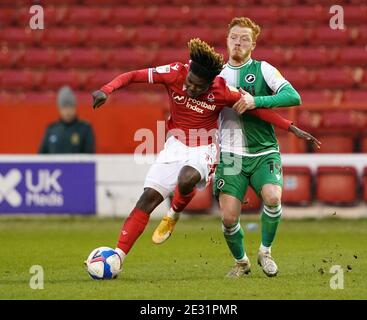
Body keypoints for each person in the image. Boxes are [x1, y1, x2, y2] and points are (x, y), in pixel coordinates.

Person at [91, 38, 299, 269]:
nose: (191, 88)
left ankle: (173, 213)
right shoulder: (173, 73)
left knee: (186, 177)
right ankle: (118, 256)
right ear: (188, 71)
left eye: (198, 87)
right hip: (175, 145)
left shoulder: (223, 90)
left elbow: (255, 111)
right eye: (190, 82)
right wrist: (106, 90)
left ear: (210, 83)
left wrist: (289, 126)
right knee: (147, 198)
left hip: (204, 148)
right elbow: (132, 76)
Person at [152, 19, 321, 278]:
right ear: (227, 39)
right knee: (229, 218)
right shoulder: (215, 75)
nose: (238, 43)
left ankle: (265, 251)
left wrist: (256, 101)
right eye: (234, 38)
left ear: (253, 44)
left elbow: (293, 96)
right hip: (230, 155)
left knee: (273, 198)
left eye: (244, 39)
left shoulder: (264, 69)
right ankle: (242, 262)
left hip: (264, 150)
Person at [39, 86, 95, 154]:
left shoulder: (85, 129)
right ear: (59, 109)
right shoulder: (51, 130)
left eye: (70, 106)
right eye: (64, 107)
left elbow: (89, 157)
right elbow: (41, 157)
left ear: (75, 107)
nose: (68, 111)